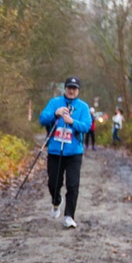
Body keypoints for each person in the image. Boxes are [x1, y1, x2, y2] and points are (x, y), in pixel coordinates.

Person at [38, 76, 92, 229]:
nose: (71, 91)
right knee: (53, 183)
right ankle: (56, 201)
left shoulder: (83, 107)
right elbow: (42, 119)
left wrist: (72, 122)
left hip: (74, 152)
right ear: (65, 88)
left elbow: (87, 126)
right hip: (55, 151)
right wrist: (55, 114)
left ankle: (69, 216)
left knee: (73, 185)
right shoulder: (54, 102)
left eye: (74, 88)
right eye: (69, 88)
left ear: (78, 91)